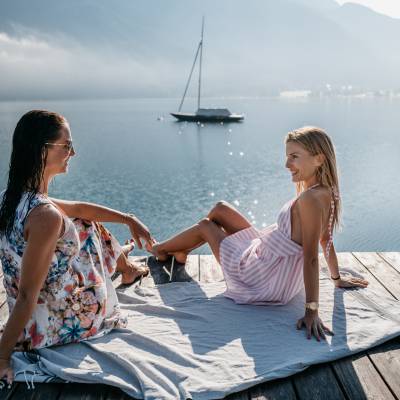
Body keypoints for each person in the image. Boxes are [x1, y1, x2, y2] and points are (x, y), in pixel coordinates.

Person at [150, 126, 369, 341]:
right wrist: (336, 279)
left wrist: (312, 310)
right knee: (220, 208)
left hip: (260, 277)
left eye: (294, 156)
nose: (286, 164)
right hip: (267, 257)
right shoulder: (326, 191)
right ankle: (180, 251)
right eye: (287, 156)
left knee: (206, 226)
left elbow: (311, 258)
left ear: (319, 159)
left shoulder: (310, 199)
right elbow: (326, 240)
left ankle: (161, 249)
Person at [0, 110, 154, 384]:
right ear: (43, 151)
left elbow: (81, 208)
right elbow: (26, 296)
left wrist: (128, 219)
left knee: (82, 220)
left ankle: (125, 262)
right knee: (83, 225)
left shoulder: (11, 198)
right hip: (51, 325)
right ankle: (126, 265)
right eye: (67, 145)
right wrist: (2, 357)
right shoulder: (45, 216)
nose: (74, 152)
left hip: (35, 314)